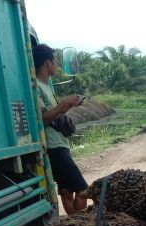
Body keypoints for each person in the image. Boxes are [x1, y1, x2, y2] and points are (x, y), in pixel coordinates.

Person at [33, 43, 87, 215]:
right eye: (54, 61)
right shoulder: (36, 88)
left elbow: (54, 116)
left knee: (66, 190)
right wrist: (64, 103)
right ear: (47, 63)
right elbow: (42, 119)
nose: (56, 64)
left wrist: (69, 105)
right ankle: (82, 225)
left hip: (60, 144)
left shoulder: (47, 87)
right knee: (83, 189)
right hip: (54, 147)